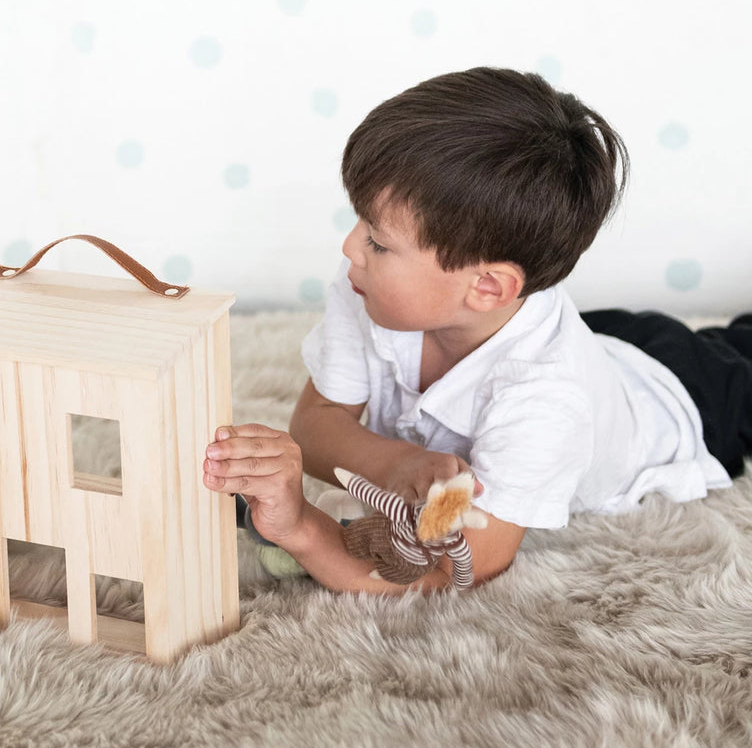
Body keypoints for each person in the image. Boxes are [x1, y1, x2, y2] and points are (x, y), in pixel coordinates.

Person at [201, 67, 747, 593]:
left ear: (487, 288)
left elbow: (454, 574)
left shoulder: (547, 401)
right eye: (361, 222)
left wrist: (300, 528)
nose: (350, 247)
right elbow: (317, 423)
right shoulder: (369, 289)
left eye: (379, 240)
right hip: (612, 341)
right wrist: (396, 463)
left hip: (693, 401)